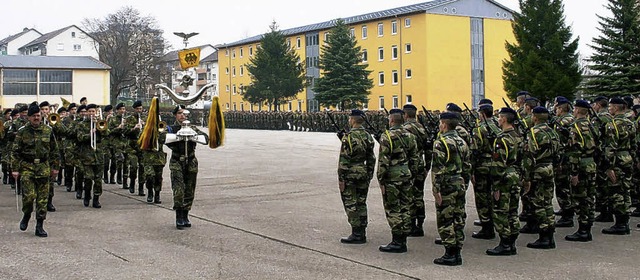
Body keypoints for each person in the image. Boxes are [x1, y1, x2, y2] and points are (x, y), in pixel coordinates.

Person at [12, 104, 59, 237]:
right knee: (29, 197)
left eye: (38, 115)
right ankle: (26, 214)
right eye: (34, 116)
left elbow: (54, 150)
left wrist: (55, 167)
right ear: (29, 117)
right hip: (27, 167)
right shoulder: (22, 132)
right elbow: (15, 152)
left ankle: (39, 225)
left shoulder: (48, 130)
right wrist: (15, 169)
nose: (37, 118)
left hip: (43, 167)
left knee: (42, 199)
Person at [377, 109, 418, 253]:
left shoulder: (387, 136)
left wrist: (380, 179)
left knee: (393, 208)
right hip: (406, 175)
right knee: (405, 207)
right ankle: (403, 238)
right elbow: (415, 158)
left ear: (392, 120)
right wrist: (412, 173)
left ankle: (397, 241)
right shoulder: (410, 135)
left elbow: (383, 161)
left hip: (392, 177)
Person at [432, 112, 469, 266]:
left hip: (447, 184)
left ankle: (450, 253)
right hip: (459, 182)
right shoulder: (462, 142)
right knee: (458, 218)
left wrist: (436, 189)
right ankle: (457, 252)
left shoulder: (441, 142)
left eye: (441, 123)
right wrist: (464, 183)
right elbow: (467, 166)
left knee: (445, 219)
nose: (439, 126)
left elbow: (438, 168)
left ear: (444, 124)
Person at [165, 105, 209, 229]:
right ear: (175, 115)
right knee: (178, 190)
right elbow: (161, 138)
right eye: (179, 113)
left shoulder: (192, 128)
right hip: (177, 161)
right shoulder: (171, 128)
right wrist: (178, 136)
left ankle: (186, 214)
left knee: (189, 190)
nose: (182, 115)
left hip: (191, 161)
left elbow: (206, 138)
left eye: (184, 113)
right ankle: (179, 216)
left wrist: (193, 136)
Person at [486, 107, 522, 256]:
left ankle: (505, 243)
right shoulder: (518, 136)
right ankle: (512, 241)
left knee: (501, 211)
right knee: (513, 210)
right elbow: (525, 159)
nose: (498, 120)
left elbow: (498, 164)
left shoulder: (502, 139)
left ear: (505, 119)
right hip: (515, 175)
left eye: (500, 117)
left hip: (505, 177)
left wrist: (496, 185)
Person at [522, 106, 559, 249]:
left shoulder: (534, 132)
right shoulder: (552, 131)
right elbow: (558, 152)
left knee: (538, 203)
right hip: (549, 167)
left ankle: (544, 235)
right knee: (547, 201)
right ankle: (550, 234)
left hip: (538, 169)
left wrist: (527, 177)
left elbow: (530, 156)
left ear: (535, 117)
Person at [337, 109, 376, 244]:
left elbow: (344, 159)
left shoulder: (349, 137)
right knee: (361, 202)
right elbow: (371, 158)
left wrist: (341, 178)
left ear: (353, 120)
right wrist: (369, 173)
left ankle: (356, 232)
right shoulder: (368, 136)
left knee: (350, 202)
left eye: (350, 119)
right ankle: (362, 230)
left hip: (351, 173)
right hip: (363, 172)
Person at [601, 97, 636, 235]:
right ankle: (624, 221)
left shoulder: (613, 124)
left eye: (610, 107)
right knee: (625, 189)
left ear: (616, 107)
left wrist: (609, 166)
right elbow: (634, 145)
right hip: (627, 157)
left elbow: (610, 147)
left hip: (617, 160)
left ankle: (620, 223)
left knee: (616, 191)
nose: (609, 109)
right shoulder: (630, 123)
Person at [564, 100, 597, 241]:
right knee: (589, 197)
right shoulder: (591, 125)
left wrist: (574, 172)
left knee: (580, 198)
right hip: (590, 163)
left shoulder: (575, 127)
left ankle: (583, 230)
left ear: (577, 110)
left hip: (582, 164)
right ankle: (587, 227)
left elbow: (575, 152)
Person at [470, 100, 501, 240]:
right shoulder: (497, 126)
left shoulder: (479, 129)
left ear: (482, 114)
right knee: (494, 195)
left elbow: (475, 151)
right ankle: (494, 221)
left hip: (482, 167)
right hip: (495, 165)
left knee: (482, 197)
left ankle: (486, 227)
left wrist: (471, 171)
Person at [401, 104, 428, 237]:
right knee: (419, 195)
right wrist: (427, 166)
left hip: (409, 166)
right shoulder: (422, 128)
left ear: (405, 115)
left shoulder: (405, 129)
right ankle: (420, 224)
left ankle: (411, 224)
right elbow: (428, 148)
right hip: (420, 165)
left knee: (409, 196)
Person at [77, 104, 108, 208]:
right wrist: (89, 134)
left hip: (98, 155)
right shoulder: (81, 124)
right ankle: (87, 195)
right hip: (87, 156)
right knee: (88, 178)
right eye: (89, 111)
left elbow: (107, 133)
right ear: (86, 112)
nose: (91, 113)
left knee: (98, 179)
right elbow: (80, 138)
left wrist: (99, 128)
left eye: (93, 111)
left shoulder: (100, 123)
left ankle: (96, 199)